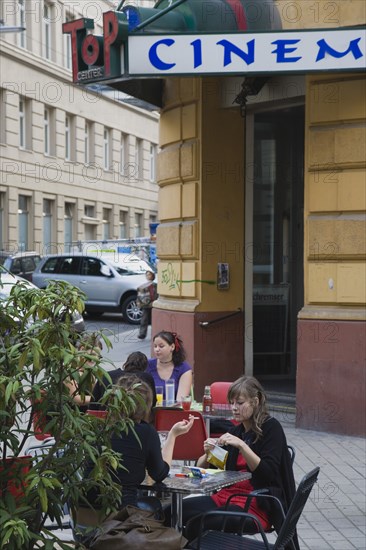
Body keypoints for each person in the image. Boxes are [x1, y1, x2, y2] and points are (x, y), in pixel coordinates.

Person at [178, 375, 299, 549]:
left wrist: (242, 446)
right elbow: (202, 470)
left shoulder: (271, 428)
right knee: (173, 512)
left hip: (256, 504)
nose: (234, 408)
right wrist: (206, 453)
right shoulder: (237, 431)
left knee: (196, 525)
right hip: (227, 497)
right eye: (231, 403)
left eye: (240, 403)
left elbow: (267, 473)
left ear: (255, 401)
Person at [83, 374, 194, 509]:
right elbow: (159, 474)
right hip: (120, 515)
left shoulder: (99, 427)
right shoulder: (145, 432)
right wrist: (173, 435)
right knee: (155, 505)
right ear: (145, 404)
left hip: (84, 510)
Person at [89, 351, 157, 411]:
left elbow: (93, 403)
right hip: (134, 420)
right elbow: (152, 403)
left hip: (104, 418)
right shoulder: (146, 378)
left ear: (126, 363)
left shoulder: (107, 375)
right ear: (145, 367)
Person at [147, 331, 193, 401]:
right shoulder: (147, 364)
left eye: (161, 346)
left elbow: (180, 400)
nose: (157, 349)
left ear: (172, 347)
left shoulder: (184, 368)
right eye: (155, 346)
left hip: (174, 410)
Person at [137, 270, 158, 339]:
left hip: (154, 304)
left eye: (150, 274)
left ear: (153, 276)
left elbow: (157, 294)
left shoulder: (155, 285)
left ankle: (155, 333)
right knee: (144, 319)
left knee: (154, 320)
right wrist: (139, 303)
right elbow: (140, 296)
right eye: (147, 275)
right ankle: (142, 333)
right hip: (146, 305)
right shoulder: (143, 285)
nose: (148, 276)